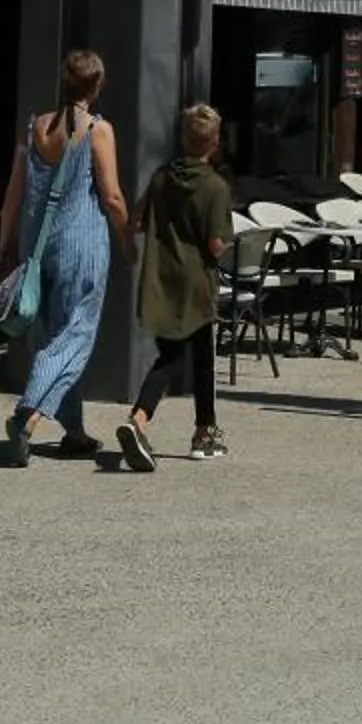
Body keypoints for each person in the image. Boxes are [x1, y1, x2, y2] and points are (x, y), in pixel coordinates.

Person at [0, 49, 126, 466]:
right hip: (80, 245)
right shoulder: (98, 130)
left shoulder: (34, 127)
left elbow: (14, 191)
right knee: (75, 336)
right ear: (97, 85)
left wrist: (4, 246)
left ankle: (74, 430)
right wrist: (129, 241)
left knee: (52, 336)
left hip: (36, 245)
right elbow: (112, 196)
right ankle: (28, 415)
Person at [118, 102, 235, 470]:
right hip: (198, 283)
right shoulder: (215, 186)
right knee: (194, 359)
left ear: (183, 138)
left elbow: (137, 221)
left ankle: (185, 425)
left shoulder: (160, 177)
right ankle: (178, 427)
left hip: (162, 279)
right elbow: (215, 244)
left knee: (179, 355)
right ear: (214, 142)